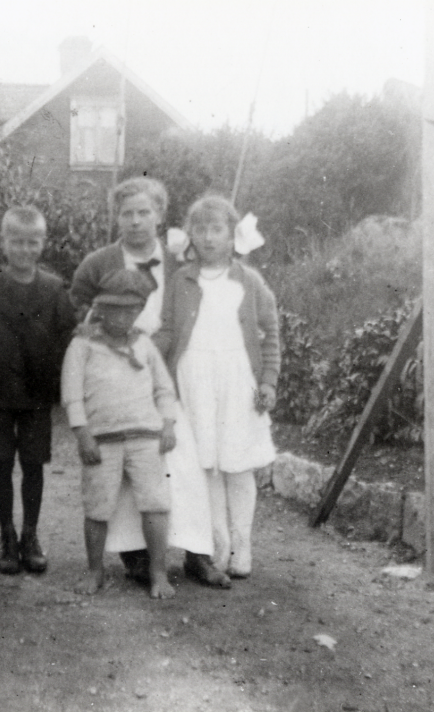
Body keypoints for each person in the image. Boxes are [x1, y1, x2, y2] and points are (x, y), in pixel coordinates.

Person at [69, 178, 215, 586]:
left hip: (168, 367)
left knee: (182, 463)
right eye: (127, 213)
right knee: (125, 466)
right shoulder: (98, 262)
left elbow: (187, 310)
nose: (135, 221)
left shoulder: (177, 261)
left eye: (144, 212)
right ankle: (135, 554)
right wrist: (95, 334)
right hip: (118, 376)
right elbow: (77, 308)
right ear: (116, 218)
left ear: (160, 215)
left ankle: (197, 552)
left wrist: (157, 356)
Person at [155, 195, 279, 581]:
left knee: (237, 466)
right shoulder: (181, 280)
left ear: (232, 235)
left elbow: (270, 334)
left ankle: (242, 544)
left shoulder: (249, 281)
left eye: (217, 229)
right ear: (190, 235)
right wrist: (146, 360)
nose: (208, 238)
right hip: (193, 379)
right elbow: (168, 330)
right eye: (201, 229)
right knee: (204, 465)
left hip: (237, 379)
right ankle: (216, 544)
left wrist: (268, 381)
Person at [0, 206, 75, 574]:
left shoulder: (54, 288)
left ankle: (30, 535)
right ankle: (7, 536)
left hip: (36, 394)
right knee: (0, 463)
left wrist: (60, 385)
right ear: (3, 242)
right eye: (16, 241)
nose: (24, 249)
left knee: (33, 465)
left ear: (43, 243)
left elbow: (66, 337)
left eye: (32, 242)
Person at [61, 269, 177, 598]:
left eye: (130, 310)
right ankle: (94, 571)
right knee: (97, 506)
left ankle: (158, 573)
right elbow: (72, 395)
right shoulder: (82, 345)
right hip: (102, 440)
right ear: (100, 309)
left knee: (155, 503)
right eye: (114, 310)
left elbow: (164, 389)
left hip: (146, 438)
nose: (122, 317)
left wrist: (168, 424)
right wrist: (83, 434)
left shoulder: (145, 344)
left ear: (139, 311)